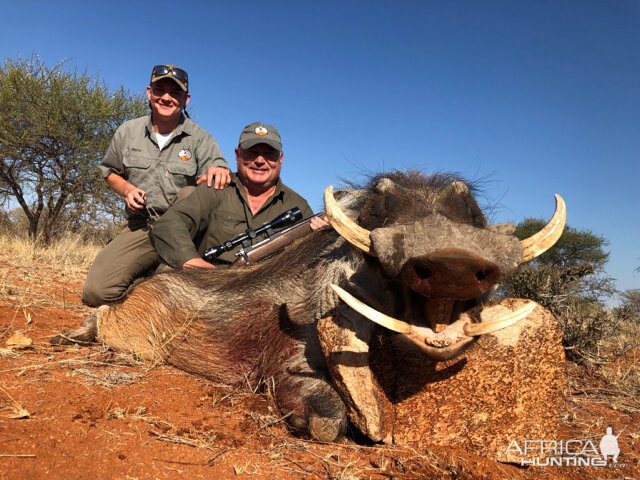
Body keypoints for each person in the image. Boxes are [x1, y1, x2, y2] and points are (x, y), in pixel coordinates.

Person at [81, 64, 230, 306]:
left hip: (184, 232)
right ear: (149, 92)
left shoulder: (201, 138)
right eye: (160, 90)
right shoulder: (128, 131)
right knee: (96, 293)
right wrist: (128, 190)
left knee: (191, 192)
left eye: (175, 92)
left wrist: (218, 171)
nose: (166, 98)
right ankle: (145, 285)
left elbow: (218, 171)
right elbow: (110, 172)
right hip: (143, 225)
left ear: (186, 99)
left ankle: (164, 274)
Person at [151, 121, 328, 269]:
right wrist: (190, 261)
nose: (259, 161)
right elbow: (169, 224)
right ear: (237, 155)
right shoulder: (217, 188)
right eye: (252, 152)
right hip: (207, 285)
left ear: (280, 158)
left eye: (269, 154)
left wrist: (321, 239)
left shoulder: (298, 206)